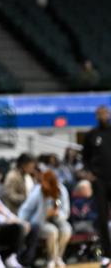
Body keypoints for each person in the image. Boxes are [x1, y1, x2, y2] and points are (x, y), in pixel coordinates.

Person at [18, 169, 71, 268]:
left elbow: (66, 212)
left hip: (57, 219)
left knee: (67, 229)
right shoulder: (38, 191)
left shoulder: (62, 191)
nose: (43, 184)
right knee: (52, 231)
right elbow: (24, 209)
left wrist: (57, 214)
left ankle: (58, 258)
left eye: (46, 182)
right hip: (39, 221)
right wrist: (22, 223)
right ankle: (51, 259)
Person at [82, 104, 111, 266]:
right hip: (99, 181)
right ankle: (107, 254)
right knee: (102, 218)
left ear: (109, 114)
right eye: (100, 114)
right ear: (96, 116)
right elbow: (85, 158)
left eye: (105, 113)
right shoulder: (91, 135)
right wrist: (89, 173)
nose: (103, 116)